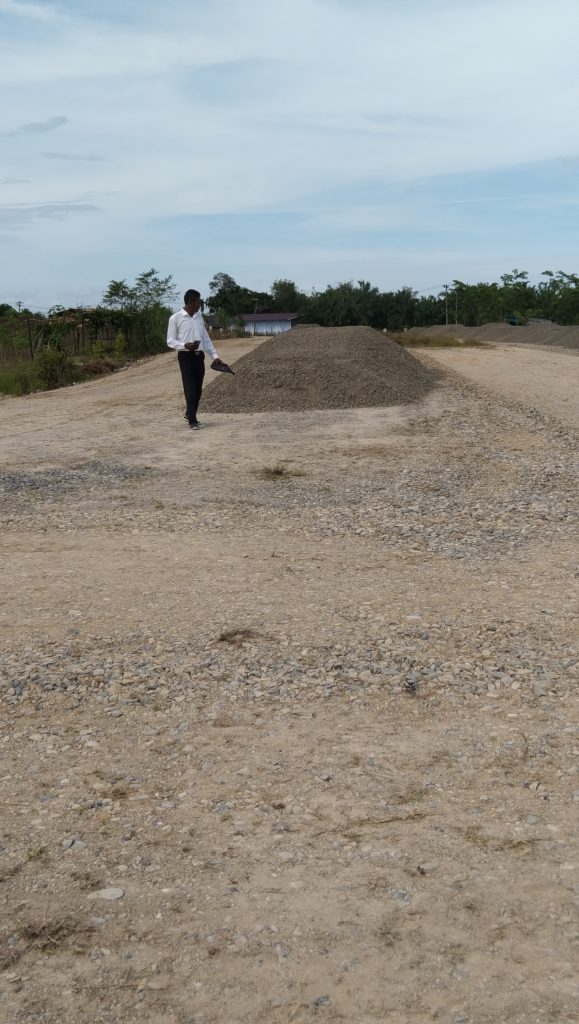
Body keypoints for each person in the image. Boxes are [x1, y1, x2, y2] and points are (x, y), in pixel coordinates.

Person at [167, 289, 223, 429]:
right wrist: (184, 345)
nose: (200, 304)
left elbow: (206, 339)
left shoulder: (199, 318)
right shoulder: (175, 318)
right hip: (185, 357)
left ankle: (189, 413)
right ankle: (192, 421)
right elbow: (170, 341)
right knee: (190, 388)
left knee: (198, 390)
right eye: (199, 301)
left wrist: (215, 357)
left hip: (199, 357)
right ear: (191, 301)